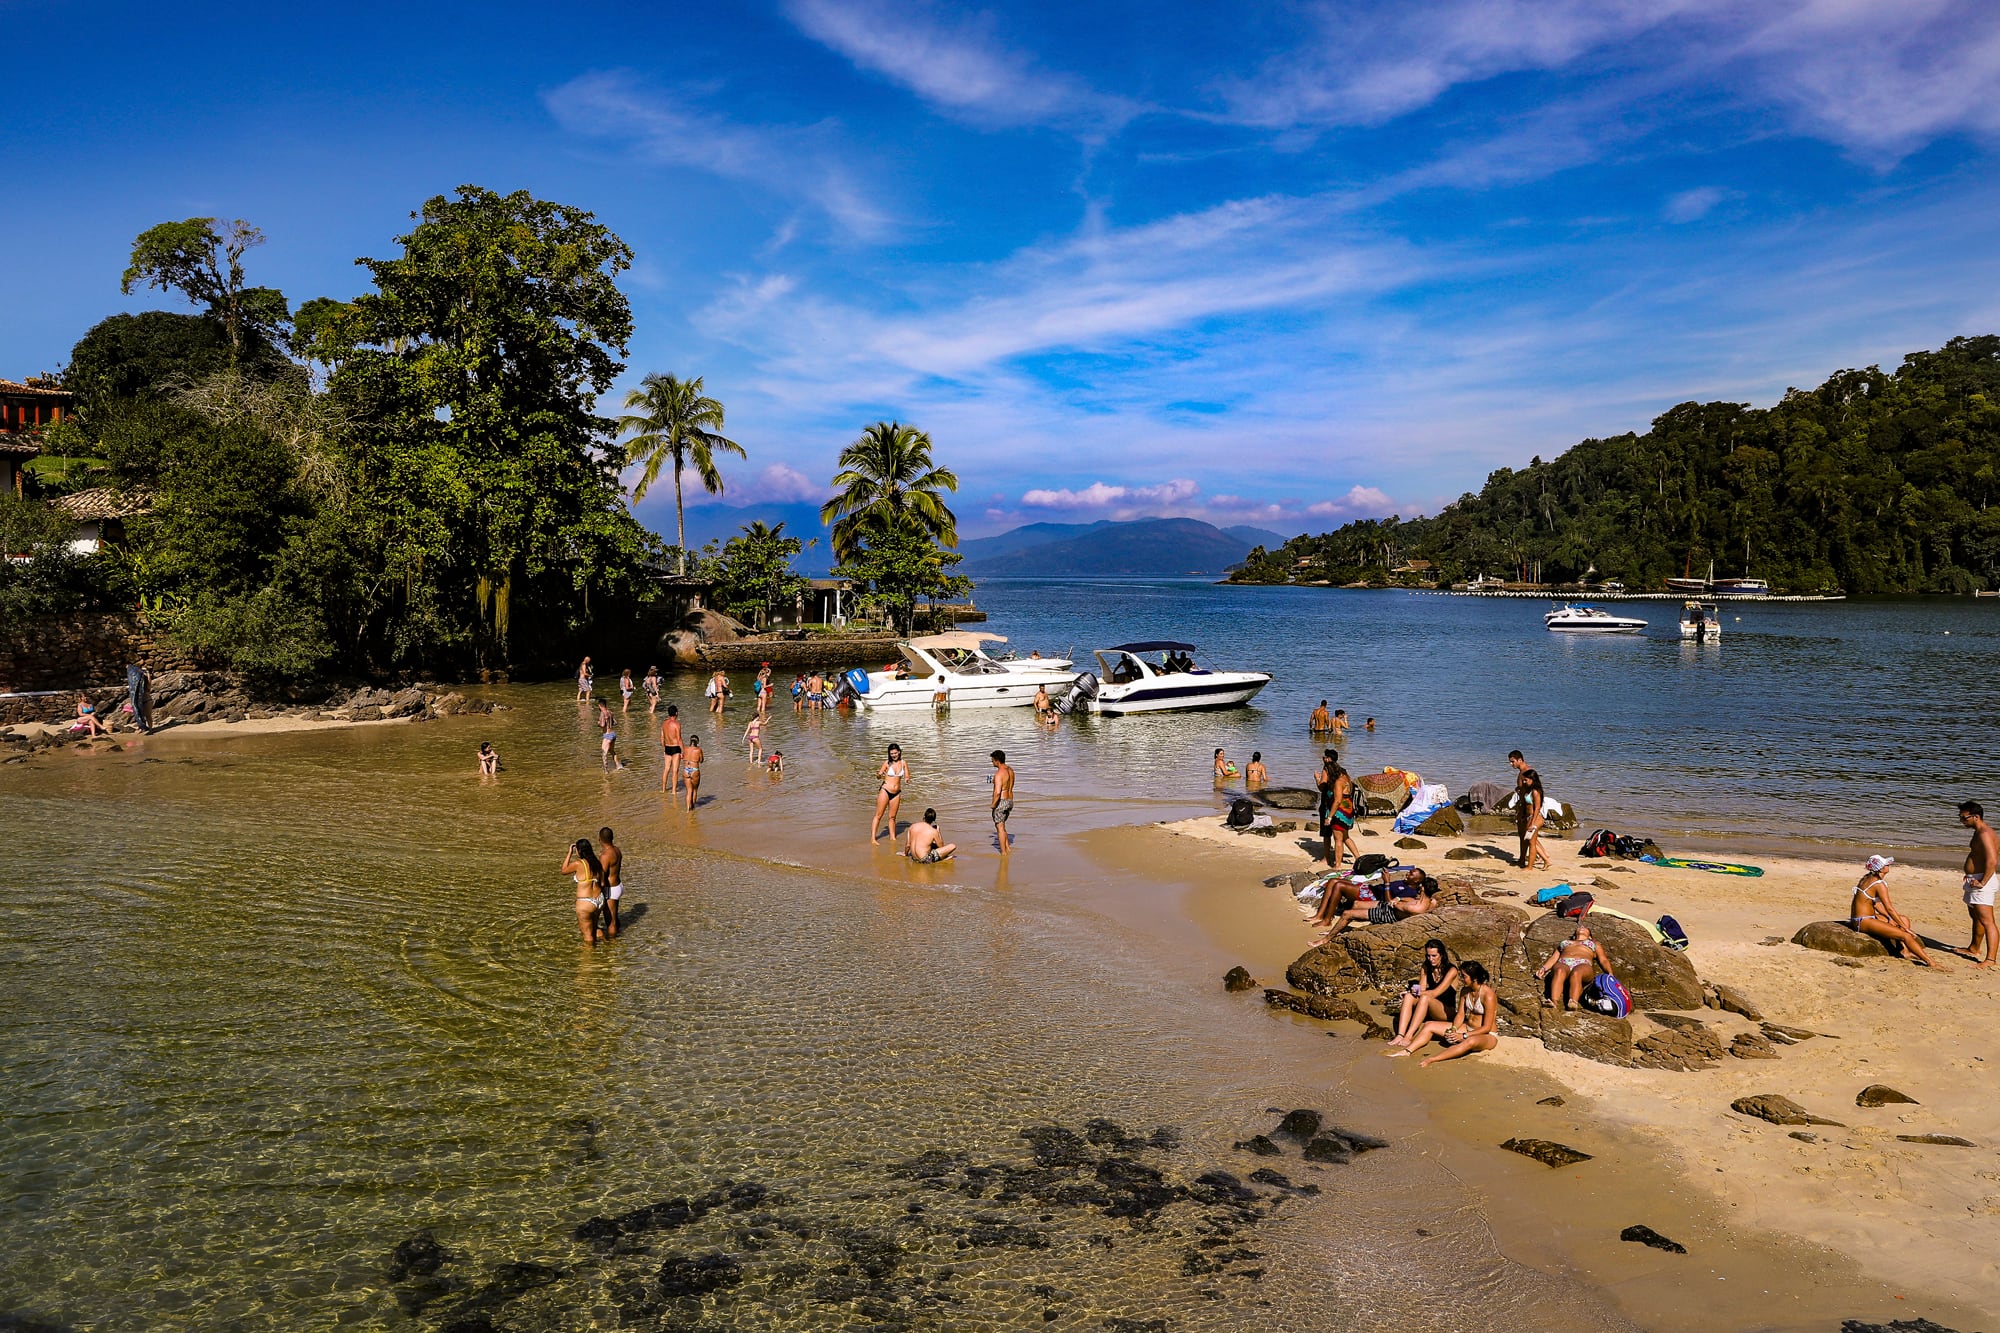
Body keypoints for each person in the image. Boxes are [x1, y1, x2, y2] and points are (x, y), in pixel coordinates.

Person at [1400, 962, 1499, 1066]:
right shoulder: (1465, 991)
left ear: (1474, 978)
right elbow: (1461, 1014)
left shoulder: (1488, 995)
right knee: (1429, 1025)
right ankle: (1407, 1051)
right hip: (1468, 1028)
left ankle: (1432, 1059)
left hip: (1486, 1035)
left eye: (1464, 976)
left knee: (1470, 1042)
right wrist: (1454, 1029)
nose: (1461, 978)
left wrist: (1464, 1036)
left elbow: (1487, 1027)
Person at [1846, 855, 1938, 966]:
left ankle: (1905, 951)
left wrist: (1891, 919)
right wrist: (1905, 929)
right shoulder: (1879, 885)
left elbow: (1875, 905)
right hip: (1863, 921)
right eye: (1886, 864)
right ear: (1880, 868)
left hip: (1862, 918)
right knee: (1906, 935)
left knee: (1904, 919)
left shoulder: (1867, 878)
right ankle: (1931, 962)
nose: (1888, 865)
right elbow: (1889, 908)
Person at [1387, 939, 1460, 1051]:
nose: (1431, 959)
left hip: (1446, 1011)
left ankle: (1408, 1036)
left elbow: (1435, 993)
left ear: (1441, 955)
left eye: (1434, 956)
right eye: (1428, 956)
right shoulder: (1426, 966)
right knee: (1409, 997)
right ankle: (1400, 1035)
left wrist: (1416, 992)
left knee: (1425, 997)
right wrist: (1412, 992)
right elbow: (1421, 988)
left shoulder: (1451, 970)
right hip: (1429, 1006)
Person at [1535, 923, 1612, 1011]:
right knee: (1559, 970)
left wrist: (1610, 973)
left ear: (1590, 936)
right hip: (1563, 962)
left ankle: (1573, 1001)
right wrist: (1543, 969)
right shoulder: (1565, 942)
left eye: (1585, 928)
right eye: (1580, 927)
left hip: (1583, 964)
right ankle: (1554, 1002)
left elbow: (1603, 960)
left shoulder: (1594, 943)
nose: (1582, 927)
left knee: (1577, 973)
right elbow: (1554, 958)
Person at [1961, 801, 1998, 968]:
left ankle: (1990, 959)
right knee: (1975, 916)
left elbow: (1992, 860)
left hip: (1982, 882)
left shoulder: (1985, 833)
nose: (1961, 821)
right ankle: (1974, 948)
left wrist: (1982, 881)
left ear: (1976, 817)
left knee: (1987, 921)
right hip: (1974, 879)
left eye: (1964, 818)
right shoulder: (1978, 832)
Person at [562, 838, 605, 945]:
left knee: (587, 936)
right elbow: (603, 883)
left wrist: (569, 853)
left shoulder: (578, 863)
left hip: (585, 903)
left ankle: (589, 960)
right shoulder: (596, 863)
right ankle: (607, 948)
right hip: (599, 899)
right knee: (595, 929)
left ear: (579, 850)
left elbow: (563, 870)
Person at [1316, 749, 1355, 868]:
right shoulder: (1343, 772)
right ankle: (1358, 857)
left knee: (1331, 835)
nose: (1323, 758)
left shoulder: (1326, 770)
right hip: (1347, 807)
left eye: (1324, 757)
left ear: (1328, 759)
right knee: (1345, 836)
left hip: (1332, 805)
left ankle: (1330, 860)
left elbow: (1322, 787)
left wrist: (1317, 779)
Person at [1517, 769, 1553, 871]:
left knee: (1531, 842)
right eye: (1523, 780)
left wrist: (1532, 822)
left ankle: (1530, 867)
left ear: (1532, 779)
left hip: (1536, 817)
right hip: (1529, 817)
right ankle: (1546, 860)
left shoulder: (1536, 792)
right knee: (1530, 840)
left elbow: (1537, 808)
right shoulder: (1528, 790)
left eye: (1526, 780)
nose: (1524, 782)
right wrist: (1522, 815)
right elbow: (1525, 804)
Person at [872, 744, 908, 842]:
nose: (893, 755)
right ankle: (873, 838)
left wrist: (907, 780)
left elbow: (907, 776)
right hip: (885, 790)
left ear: (899, 752)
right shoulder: (887, 763)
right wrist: (879, 775)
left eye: (895, 753)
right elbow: (878, 776)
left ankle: (892, 837)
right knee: (879, 815)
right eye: (891, 753)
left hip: (896, 793)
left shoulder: (903, 763)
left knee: (892, 817)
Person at [597, 826, 624, 938]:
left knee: (610, 919)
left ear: (600, 839)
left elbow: (602, 875)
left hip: (610, 889)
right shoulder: (617, 850)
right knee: (614, 916)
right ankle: (618, 934)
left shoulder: (605, 856)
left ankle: (613, 943)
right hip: (618, 885)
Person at [990, 749, 1015, 852]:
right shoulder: (1010, 770)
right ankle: (1007, 848)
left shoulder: (999, 774)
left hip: (1001, 802)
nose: (992, 762)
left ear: (997, 761)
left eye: (992, 760)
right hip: (1010, 801)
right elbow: (1009, 784)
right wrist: (995, 781)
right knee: (1002, 826)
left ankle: (1004, 853)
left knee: (999, 828)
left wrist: (993, 804)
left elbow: (997, 793)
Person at [659, 704, 684, 794]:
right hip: (675, 748)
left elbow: (662, 738)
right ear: (676, 713)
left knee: (666, 769)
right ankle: (673, 791)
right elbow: (679, 739)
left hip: (667, 747)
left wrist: (664, 748)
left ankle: (663, 789)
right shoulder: (677, 724)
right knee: (675, 770)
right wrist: (683, 751)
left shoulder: (664, 723)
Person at [125, 663, 153, 733]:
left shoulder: (146, 684)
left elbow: (149, 685)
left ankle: (150, 729)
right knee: (139, 714)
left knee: (148, 716)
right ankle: (142, 728)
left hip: (147, 701)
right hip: (140, 701)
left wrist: (147, 673)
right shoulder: (135, 684)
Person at [598, 703, 624, 771]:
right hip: (613, 734)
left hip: (607, 735)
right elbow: (615, 722)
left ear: (600, 705)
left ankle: (606, 771)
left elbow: (603, 725)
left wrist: (599, 723)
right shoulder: (610, 712)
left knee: (604, 754)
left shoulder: (602, 713)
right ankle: (618, 766)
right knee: (612, 751)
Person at [681, 735, 704, 811]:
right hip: (694, 770)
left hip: (686, 769)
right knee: (694, 790)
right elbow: (701, 760)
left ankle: (688, 810)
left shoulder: (685, 748)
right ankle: (693, 808)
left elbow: (682, 757)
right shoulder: (698, 750)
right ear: (697, 742)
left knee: (689, 791)